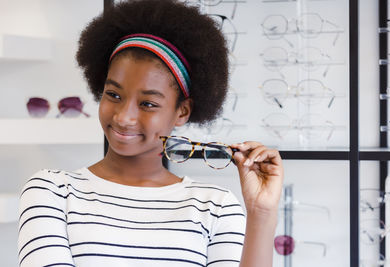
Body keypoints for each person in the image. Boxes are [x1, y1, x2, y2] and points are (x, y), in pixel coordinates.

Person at [17, 0, 284, 266]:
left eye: (147, 104)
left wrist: (262, 213)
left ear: (182, 112)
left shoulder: (215, 206)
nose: (124, 117)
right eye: (113, 95)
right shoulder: (53, 192)